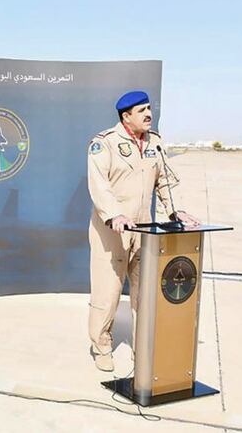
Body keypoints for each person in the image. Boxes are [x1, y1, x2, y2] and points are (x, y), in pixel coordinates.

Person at [86, 90, 200, 371]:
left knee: (144, 294)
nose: (149, 114)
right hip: (111, 231)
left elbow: (165, 182)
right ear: (126, 116)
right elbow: (99, 186)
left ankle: (144, 347)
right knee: (108, 293)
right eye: (142, 111)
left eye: (149, 109)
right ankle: (101, 345)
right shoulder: (104, 144)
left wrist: (176, 210)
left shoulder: (155, 144)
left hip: (145, 230)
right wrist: (114, 215)